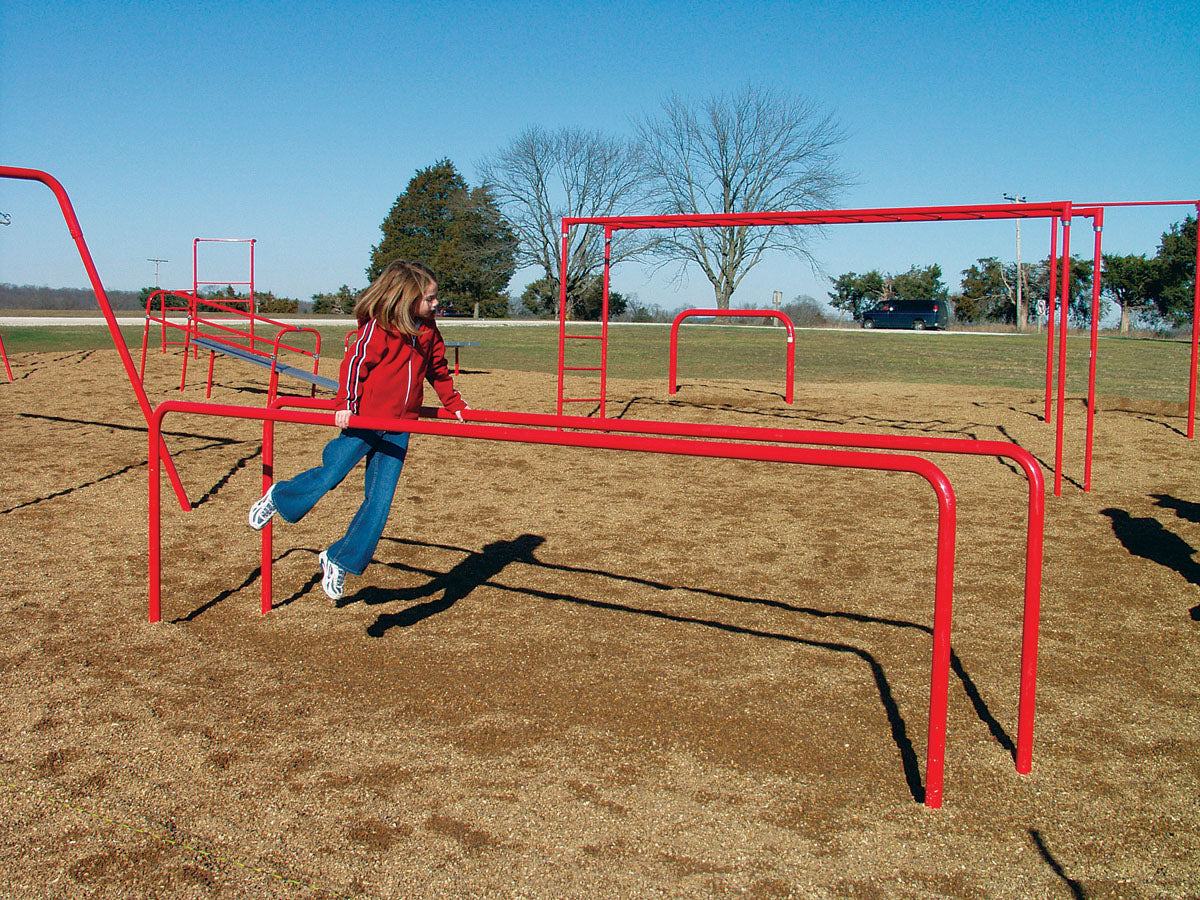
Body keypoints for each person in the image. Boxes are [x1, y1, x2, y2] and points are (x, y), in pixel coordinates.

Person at [248, 259, 467, 600]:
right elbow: (354, 364)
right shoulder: (379, 328)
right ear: (405, 298)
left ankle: (338, 559)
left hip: (399, 426)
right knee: (331, 474)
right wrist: (345, 404)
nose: (435, 304)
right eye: (429, 298)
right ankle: (280, 496)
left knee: (379, 503)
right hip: (364, 419)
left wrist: (454, 403)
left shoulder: (428, 332)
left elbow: (437, 371)